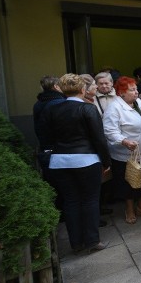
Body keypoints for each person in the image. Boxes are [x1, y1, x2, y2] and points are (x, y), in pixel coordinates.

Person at [41, 74, 111, 253]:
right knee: (90, 200)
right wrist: (106, 161)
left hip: (59, 161)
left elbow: (46, 136)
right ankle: (92, 241)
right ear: (82, 90)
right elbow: (99, 138)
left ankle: (76, 243)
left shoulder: (51, 110)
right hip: (86, 160)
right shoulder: (88, 109)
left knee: (70, 201)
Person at [102, 76, 141, 225]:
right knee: (128, 183)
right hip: (125, 154)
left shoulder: (137, 102)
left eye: (136, 89)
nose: (136, 92)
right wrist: (123, 141)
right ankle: (129, 209)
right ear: (121, 93)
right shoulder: (114, 107)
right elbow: (109, 130)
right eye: (132, 90)